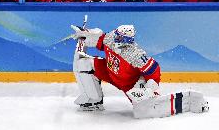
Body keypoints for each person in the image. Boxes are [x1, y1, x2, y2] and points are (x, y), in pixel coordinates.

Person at [71, 23, 209, 118]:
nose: (117, 39)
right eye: (117, 35)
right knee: (83, 64)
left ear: (128, 41)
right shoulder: (111, 38)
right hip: (110, 73)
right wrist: (84, 34)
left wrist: (150, 87)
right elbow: (98, 39)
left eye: (121, 38)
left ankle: (190, 100)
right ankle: (92, 101)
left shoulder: (135, 54)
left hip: (130, 84)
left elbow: (154, 70)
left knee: (144, 112)